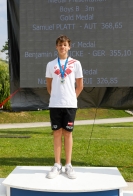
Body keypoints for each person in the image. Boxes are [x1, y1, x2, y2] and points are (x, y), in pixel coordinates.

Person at [45, 35, 83, 179]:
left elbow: (80, 85)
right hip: (55, 104)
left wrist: (71, 98)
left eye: (65, 45)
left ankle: (68, 165)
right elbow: (49, 86)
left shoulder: (76, 63)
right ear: (56, 47)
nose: (62, 47)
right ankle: (57, 165)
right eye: (60, 44)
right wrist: (56, 97)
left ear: (69, 47)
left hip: (70, 105)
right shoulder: (50, 64)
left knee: (68, 133)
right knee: (56, 133)